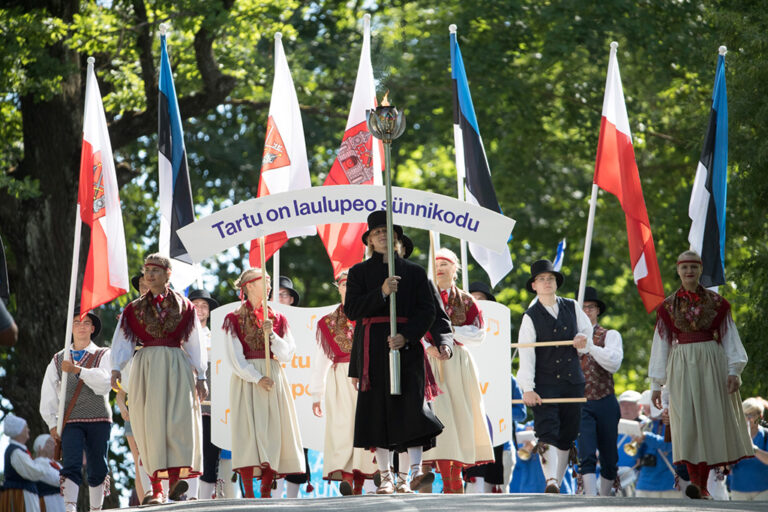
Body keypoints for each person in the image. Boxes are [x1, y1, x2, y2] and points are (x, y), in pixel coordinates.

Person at [345, 210, 443, 494]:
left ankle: (412, 474)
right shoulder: (358, 272)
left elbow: (428, 310)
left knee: (411, 406)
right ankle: (386, 476)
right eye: (377, 233)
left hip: (406, 346)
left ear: (397, 239)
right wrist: (382, 292)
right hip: (373, 347)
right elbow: (352, 310)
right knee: (378, 409)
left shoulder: (415, 272)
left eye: (388, 232)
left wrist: (407, 336)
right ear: (369, 240)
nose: (382, 236)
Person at [649, 250, 753, 499]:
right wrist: (656, 383)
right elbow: (661, 345)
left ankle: (702, 484)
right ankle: (697, 482)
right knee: (686, 421)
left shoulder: (718, 303)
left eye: (693, 267)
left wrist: (734, 370)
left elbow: (729, 337)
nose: (689, 271)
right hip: (681, 363)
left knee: (709, 420)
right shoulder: (667, 306)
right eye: (684, 267)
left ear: (700, 270)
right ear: (678, 270)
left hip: (711, 362)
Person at [110, 253, 207, 504]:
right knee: (150, 425)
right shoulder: (133, 309)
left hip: (177, 363)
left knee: (178, 421)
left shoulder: (185, 306)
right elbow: (123, 341)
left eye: (155, 271)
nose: (150, 275)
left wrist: (201, 375)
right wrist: (116, 368)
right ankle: (156, 490)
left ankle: (174, 481)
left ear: (168, 274)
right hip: (147, 365)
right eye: (147, 271)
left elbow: (195, 342)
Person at [222, 267, 305, 498]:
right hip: (247, 380)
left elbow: (287, 354)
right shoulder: (233, 319)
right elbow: (234, 358)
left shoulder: (278, 318)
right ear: (249, 286)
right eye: (264, 282)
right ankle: (249, 492)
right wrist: (257, 378)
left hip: (274, 375)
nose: (269, 287)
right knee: (247, 432)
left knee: (274, 431)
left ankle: (266, 488)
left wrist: (272, 336)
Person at [422, 248, 494, 494]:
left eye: (445, 263)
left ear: (455, 268)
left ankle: (455, 476)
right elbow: (411, 327)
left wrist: (448, 333)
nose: (440, 268)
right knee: (435, 415)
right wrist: (429, 347)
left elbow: (479, 334)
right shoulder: (422, 297)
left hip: (457, 362)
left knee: (461, 416)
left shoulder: (466, 300)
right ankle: (436, 476)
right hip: (429, 360)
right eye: (436, 264)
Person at [517, 259, 592, 493]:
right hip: (545, 382)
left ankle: (556, 482)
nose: (547, 282)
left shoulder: (572, 306)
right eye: (541, 279)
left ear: (556, 283)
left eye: (550, 278)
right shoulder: (530, 316)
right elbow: (526, 353)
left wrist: (582, 339)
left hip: (572, 380)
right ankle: (550, 480)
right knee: (547, 430)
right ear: (534, 286)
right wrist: (528, 388)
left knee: (568, 432)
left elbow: (587, 332)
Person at [309, 271, 377, 495]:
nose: (348, 288)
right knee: (342, 428)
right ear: (338, 287)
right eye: (344, 284)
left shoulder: (371, 315)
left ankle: (364, 479)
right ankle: (347, 477)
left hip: (369, 374)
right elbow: (321, 360)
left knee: (368, 425)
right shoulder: (328, 322)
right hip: (340, 377)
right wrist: (316, 394)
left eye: (353, 284)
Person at [39, 307, 112, 511]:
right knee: (71, 464)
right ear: (70, 328)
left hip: (99, 418)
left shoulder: (103, 354)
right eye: (77, 323)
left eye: (86, 323)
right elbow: (48, 393)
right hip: (70, 419)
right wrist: (52, 423)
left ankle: (96, 509)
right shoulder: (58, 358)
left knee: (98, 465)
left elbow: (105, 383)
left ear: (92, 329)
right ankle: (70, 509)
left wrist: (78, 370)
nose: (81, 327)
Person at [576, 286, 623, 496]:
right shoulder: (569, 337)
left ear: (597, 311)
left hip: (605, 401)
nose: (587, 311)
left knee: (609, 455)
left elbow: (613, 363)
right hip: (580, 402)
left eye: (591, 307)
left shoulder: (610, 335)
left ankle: (604, 497)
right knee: (585, 451)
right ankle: (590, 496)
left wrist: (591, 347)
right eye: (583, 307)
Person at [188, 288, 220, 500]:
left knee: (209, 451)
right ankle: (190, 497)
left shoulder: (216, 337)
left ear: (209, 311)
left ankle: (206, 501)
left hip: (211, 403)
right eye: (195, 305)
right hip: (186, 402)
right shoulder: (181, 337)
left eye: (204, 306)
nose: (199, 309)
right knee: (188, 450)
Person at [1, 414, 60, 512]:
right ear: (19, 431)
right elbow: (33, 473)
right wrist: (41, 459)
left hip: (23, 493)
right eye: (25, 428)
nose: (28, 430)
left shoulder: (19, 451)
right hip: (19, 495)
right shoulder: (16, 452)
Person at [729, 397, 768, 500]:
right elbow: (727, 468)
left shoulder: (766, 434)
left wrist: (753, 449)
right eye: (745, 415)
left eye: (751, 415)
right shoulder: (734, 436)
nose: (748, 418)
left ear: (760, 416)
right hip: (738, 491)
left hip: (764, 491)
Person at [33, 434, 65, 512]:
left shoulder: (57, 464)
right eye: (50, 443)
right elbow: (58, 480)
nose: (54, 445)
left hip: (60, 503)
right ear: (41, 447)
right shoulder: (38, 463)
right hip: (48, 503)